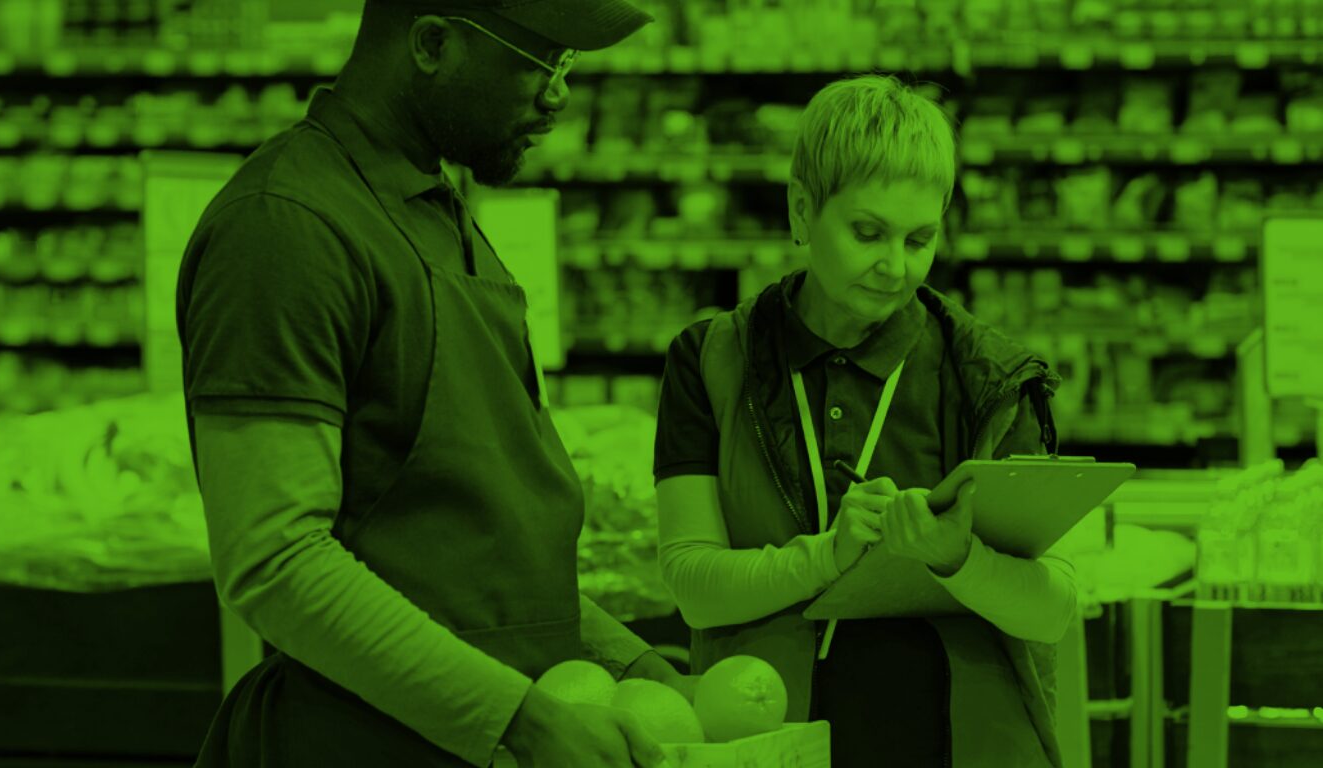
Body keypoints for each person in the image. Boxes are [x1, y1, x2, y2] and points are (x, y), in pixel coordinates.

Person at [176, 2, 684, 766]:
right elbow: (276, 561)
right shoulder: (285, 227)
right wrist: (526, 721)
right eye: (541, 61)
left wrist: (627, 661)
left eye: (568, 67)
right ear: (432, 44)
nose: (559, 96)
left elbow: (470, 567)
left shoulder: (440, 213)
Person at [653, 74, 1078, 767]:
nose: (893, 266)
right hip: (763, 736)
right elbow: (693, 587)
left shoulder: (992, 378)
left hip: (957, 741)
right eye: (867, 232)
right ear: (800, 211)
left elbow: (1052, 609)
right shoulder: (709, 360)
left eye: (920, 238)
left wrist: (956, 558)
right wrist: (827, 556)